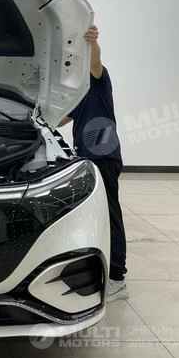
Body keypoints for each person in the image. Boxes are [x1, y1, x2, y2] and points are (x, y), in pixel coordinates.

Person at [59, 25, 128, 302]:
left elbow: (96, 62)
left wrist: (91, 43)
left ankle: (117, 280)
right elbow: (59, 119)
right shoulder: (82, 94)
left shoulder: (98, 81)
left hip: (104, 157)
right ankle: (96, 268)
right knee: (94, 217)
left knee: (110, 216)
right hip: (87, 159)